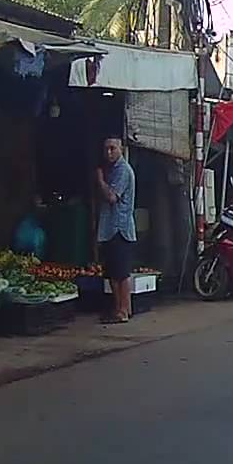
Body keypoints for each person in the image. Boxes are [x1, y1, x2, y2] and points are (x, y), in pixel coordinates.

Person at [96, 136, 136, 324]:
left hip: (120, 229)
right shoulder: (112, 170)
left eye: (113, 148)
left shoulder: (122, 171)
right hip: (110, 228)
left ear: (121, 149)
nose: (109, 152)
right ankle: (120, 308)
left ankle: (123, 310)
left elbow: (112, 197)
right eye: (106, 149)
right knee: (113, 273)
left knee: (121, 274)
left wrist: (100, 180)